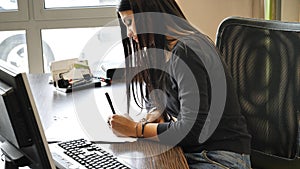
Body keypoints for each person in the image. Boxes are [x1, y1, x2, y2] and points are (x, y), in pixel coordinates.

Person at [108, 0, 252, 168]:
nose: (129, 33)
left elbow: (191, 130)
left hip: (220, 157)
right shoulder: (163, 51)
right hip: (194, 152)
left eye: (130, 23)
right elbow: (156, 99)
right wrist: (154, 114)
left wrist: (136, 129)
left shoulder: (187, 51)